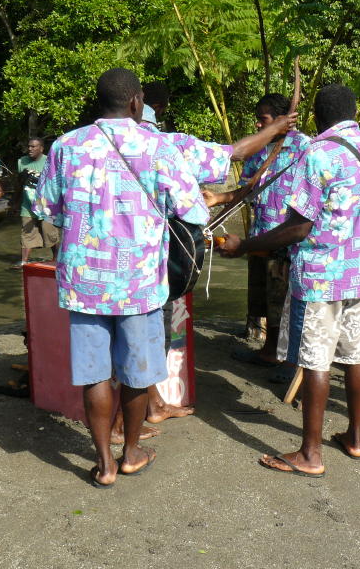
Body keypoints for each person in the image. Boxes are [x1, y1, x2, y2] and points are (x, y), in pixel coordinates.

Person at [33, 68, 210, 488]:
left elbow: (49, 209)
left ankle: (104, 463)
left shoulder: (67, 145)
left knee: (94, 373)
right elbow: (194, 212)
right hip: (140, 283)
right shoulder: (159, 147)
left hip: (85, 282)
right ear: (136, 102)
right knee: (136, 370)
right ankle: (130, 453)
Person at [107, 91, 298, 444]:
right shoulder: (164, 147)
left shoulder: (87, 148)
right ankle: (122, 425)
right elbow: (232, 158)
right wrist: (199, 211)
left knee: (139, 338)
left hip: (113, 269)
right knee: (139, 340)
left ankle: (153, 405)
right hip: (146, 267)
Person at [219, 84, 360, 474]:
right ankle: (355, 438)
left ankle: (311, 455)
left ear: (316, 115)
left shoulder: (318, 154)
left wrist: (245, 246)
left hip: (323, 276)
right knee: (356, 355)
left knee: (316, 362)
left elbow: (299, 227)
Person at [203, 93, 310, 377]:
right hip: (260, 234)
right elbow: (249, 189)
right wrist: (218, 199)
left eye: (263, 119)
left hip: (286, 237)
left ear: (281, 120)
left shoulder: (304, 147)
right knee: (266, 299)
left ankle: (290, 360)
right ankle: (270, 351)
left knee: (285, 299)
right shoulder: (260, 148)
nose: (258, 124)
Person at [12, 137, 60, 268]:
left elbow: (55, 183)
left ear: (41, 148)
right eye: (29, 146)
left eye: (33, 147)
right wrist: (15, 203)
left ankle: (56, 259)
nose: (30, 149)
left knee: (49, 232)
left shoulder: (49, 162)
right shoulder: (22, 162)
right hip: (27, 205)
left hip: (46, 205)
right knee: (27, 233)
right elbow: (18, 184)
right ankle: (24, 261)